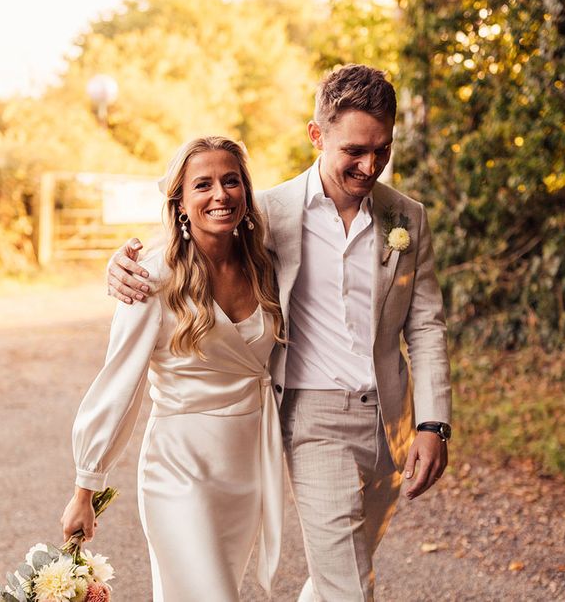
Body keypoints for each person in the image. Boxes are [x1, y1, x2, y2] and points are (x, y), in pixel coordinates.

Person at [107, 64, 452, 601]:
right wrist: (117, 266)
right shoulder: (267, 214)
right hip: (311, 418)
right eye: (354, 151)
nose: (370, 166)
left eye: (382, 150)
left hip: (392, 420)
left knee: (348, 565)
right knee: (348, 588)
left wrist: (434, 423)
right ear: (318, 136)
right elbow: (187, 240)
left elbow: (426, 325)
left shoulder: (408, 217)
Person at [61, 136, 286, 601]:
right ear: (180, 202)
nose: (219, 194)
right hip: (181, 472)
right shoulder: (151, 277)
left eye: (231, 181)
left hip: (246, 469)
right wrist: (86, 486)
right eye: (202, 184)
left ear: (246, 190)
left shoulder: (267, 264)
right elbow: (118, 383)